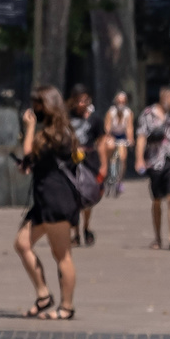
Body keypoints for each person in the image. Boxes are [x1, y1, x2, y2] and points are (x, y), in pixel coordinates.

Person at [13, 85, 81, 320]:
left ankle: (66, 307)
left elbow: (30, 150)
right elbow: (36, 160)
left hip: (57, 201)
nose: (34, 109)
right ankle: (44, 295)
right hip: (43, 201)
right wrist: (28, 165)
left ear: (49, 106)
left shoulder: (59, 133)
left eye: (38, 104)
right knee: (22, 243)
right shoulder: (52, 132)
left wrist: (30, 127)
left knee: (62, 254)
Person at [134, 85, 170, 250]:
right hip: (154, 160)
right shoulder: (148, 114)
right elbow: (141, 137)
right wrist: (139, 159)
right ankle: (157, 237)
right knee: (157, 199)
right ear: (165, 98)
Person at [66, 86, 101, 246]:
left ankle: (86, 228)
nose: (82, 104)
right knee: (72, 197)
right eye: (79, 100)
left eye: (85, 101)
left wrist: (105, 165)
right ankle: (75, 232)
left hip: (89, 161)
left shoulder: (95, 119)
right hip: (70, 160)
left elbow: (102, 141)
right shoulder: (66, 118)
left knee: (87, 196)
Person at [103, 91, 133, 196]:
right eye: (119, 101)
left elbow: (129, 128)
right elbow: (107, 128)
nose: (121, 103)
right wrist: (108, 139)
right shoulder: (111, 112)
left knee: (123, 156)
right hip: (112, 135)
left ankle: (120, 180)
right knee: (110, 154)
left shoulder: (128, 113)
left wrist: (131, 140)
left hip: (122, 136)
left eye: (123, 101)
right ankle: (107, 175)